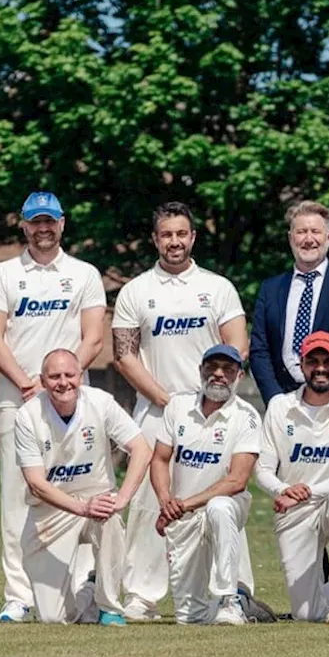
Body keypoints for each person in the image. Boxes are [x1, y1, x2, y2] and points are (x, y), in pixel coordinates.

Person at [111, 202, 251, 621]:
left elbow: (238, 346)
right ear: (155, 239)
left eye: (182, 234)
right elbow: (125, 355)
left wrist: (209, 397)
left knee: (219, 499)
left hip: (214, 410)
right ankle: (142, 594)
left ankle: (229, 592)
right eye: (166, 234)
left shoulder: (218, 287)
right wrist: (166, 400)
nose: (175, 241)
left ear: (193, 237)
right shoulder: (136, 290)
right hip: (159, 409)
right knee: (151, 502)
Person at [0, 191, 108, 623]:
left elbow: (92, 338)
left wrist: (59, 383)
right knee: (18, 497)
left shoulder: (84, 274)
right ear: (24, 225)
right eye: (35, 221)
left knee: (78, 489)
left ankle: (81, 591)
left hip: (74, 401)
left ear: (63, 224)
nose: (43, 228)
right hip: (17, 400)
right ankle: (18, 595)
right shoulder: (4, 274)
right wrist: (27, 384)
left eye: (50, 221)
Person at [14, 348, 152, 625]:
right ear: (42, 380)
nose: (63, 382)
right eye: (54, 376)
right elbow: (37, 484)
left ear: (80, 376)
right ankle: (91, 587)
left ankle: (110, 606)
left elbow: (141, 448)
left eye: (69, 375)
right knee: (54, 618)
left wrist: (122, 497)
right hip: (50, 511)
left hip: (96, 499)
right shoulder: (27, 415)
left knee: (110, 514)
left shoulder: (101, 403)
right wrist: (80, 507)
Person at [254, 332, 329, 624]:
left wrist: (307, 491)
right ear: (302, 365)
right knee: (307, 614)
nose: (320, 368)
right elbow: (262, 470)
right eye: (313, 361)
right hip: (294, 509)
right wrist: (284, 490)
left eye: (328, 361)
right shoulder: (280, 407)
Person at [149, 345, 263, 625]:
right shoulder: (178, 406)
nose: (219, 375)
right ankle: (250, 609)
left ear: (239, 375)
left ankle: (229, 599)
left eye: (228, 369)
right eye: (212, 368)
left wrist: (183, 504)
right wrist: (166, 501)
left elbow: (237, 480)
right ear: (201, 371)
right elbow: (160, 460)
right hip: (182, 514)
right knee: (190, 618)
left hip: (228, 506)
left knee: (219, 507)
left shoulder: (246, 416)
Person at [249, 200, 329, 404]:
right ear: (290, 238)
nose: (308, 239)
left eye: (315, 231)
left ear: (328, 238)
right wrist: (274, 399)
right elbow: (259, 349)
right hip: (284, 401)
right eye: (301, 232)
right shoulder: (270, 289)